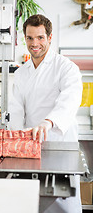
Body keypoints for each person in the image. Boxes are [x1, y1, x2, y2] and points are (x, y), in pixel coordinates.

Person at [8, 14, 83, 213]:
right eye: (30, 38)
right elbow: (16, 109)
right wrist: (16, 137)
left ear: (50, 38)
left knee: (63, 202)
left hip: (60, 144)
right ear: (25, 39)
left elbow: (70, 99)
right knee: (32, 203)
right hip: (30, 147)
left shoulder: (66, 68)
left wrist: (48, 122)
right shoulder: (21, 72)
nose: (35, 43)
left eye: (40, 37)